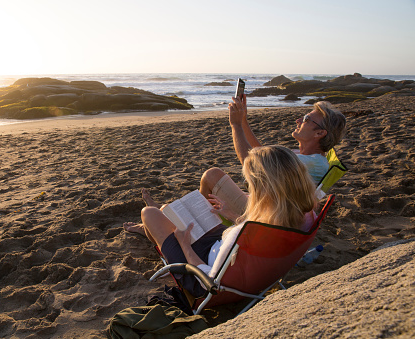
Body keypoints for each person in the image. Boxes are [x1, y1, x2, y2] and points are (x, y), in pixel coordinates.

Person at [137, 145, 318, 297]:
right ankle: (158, 224)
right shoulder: (307, 216)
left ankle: (154, 232)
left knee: (149, 213)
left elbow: (209, 280)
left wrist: (185, 246)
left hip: (205, 274)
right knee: (168, 212)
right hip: (234, 258)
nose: (248, 189)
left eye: (249, 184)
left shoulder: (244, 232)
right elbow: (256, 235)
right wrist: (232, 216)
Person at [199, 95, 346, 218]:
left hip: (266, 215)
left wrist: (235, 125)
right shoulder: (304, 156)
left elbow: (251, 164)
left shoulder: (311, 163)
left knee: (211, 175)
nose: (299, 120)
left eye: (306, 119)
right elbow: (260, 152)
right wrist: (243, 121)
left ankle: (204, 228)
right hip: (266, 205)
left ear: (319, 133)